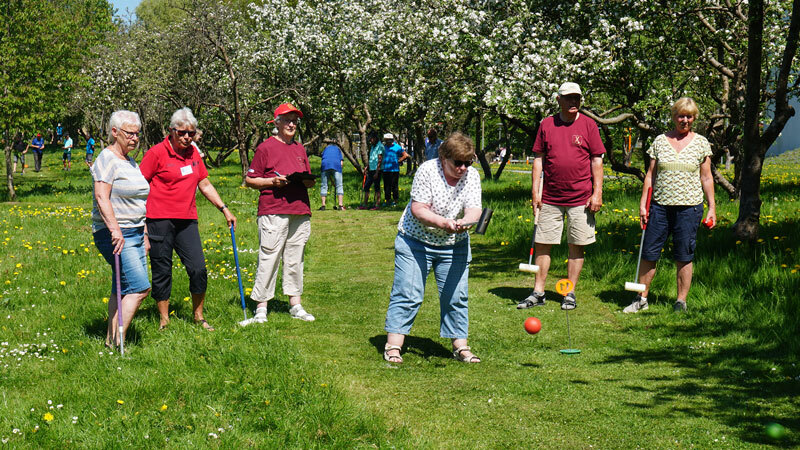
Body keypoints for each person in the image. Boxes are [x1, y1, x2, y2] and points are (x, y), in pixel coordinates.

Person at [383, 132, 483, 364]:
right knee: (408, 293)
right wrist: (444, 223)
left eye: (467, 163)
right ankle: (393, 346)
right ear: (443, 158)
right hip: (415, 241)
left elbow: (474, 208)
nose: (463, 168)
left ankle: (461, 347)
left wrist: (466, 221)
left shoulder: (472, 175)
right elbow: (419, 209)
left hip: (454, 244)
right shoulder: (427, 170)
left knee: (456, 296)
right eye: (457, 163)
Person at [139, 107, 236, 331]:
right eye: (182, 133)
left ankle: (198, 316)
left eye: (191, 133)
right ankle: (164, 320)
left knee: (198, 268)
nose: (186, 137)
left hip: (187, 219)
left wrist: (224, 208)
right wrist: (140, 222)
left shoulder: (193, 153)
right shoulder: (156, 153)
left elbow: (204, 183)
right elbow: (140, 186)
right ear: (171, 131)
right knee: (162, 269)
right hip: (159, 219)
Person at [517, 82, 605, 311]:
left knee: (577, 245)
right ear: (558, 100)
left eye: (577, 98)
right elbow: (539, 159)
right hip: (550, 197)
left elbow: (597, 160)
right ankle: (538, 292)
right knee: (543, 244)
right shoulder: (547, 124)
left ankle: (569, 292)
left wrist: (597, 193)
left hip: (581, 198)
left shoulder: (589, 125)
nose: (574, 102)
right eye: (569, 98)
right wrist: (535, 191)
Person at [623, 97, 716, 314]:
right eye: (681, 116)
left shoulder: (701, 143)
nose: (685, 120)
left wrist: (712, 207)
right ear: (674, 117)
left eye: (689, 116)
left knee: (684, 255)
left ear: (694, 118)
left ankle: (680, 302)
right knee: (649, 252)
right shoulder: (660, 141)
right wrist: (643, 205)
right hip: (659, 207)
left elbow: (706, 177)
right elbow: (650, 175)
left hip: (689, 208)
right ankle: (641, 298)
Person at [239, 103, 317, 326]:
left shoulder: (300, 149)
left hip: (299, 210)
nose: (292, 124)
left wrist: (307, 181)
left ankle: (295, 304)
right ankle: (261, 308)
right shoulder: (265, 148)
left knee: (295, 258)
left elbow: (308, 178)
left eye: (295, 121)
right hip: (273, 209)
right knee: (269, 257)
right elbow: (250, 180)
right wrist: (272, 181)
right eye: (287, 120)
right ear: (277, 123)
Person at [90, 110, 151, 350]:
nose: (135, 138)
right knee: (139, 288)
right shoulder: (107, 158)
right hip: (116, 233)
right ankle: (118, 340)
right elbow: (101, 196)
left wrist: (144, 234)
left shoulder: (130, 161)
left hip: (135, 232)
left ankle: (110, 341)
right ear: (115, 132)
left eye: (137, 134)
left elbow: (138, 202)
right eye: (130, 133)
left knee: (122, 289)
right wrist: (115, 230)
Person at [381, 133, 409, 207]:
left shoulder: (397, 147)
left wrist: (399, 161)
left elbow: (405, 155)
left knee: (394, 186)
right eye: (387, 140)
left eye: (389, 140)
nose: (388, 142)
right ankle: (387, 201)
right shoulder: (383, 147)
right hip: (385, 169)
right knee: (386, 186)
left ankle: (395, 201)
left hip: (394, 170)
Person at [359, 132, 383, 210]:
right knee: (366, 186)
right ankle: (365, 204)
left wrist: (377, 172)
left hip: (377, 170)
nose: (370, 141)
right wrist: (367, 167)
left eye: (371, 139)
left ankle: (377, 205)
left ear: (375, 138)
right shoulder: (372, 146)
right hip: (371, 169)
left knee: (377, 187)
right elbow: (372, 158)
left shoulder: (380, 146)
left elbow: (379, 160)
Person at [319, 142, 345, 210]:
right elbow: (341, 163)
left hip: (325, 165)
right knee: (339, 185)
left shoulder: (325, 149)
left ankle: (323, 206)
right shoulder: (338, 149)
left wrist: (332, 180)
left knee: (324, 185)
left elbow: (324, 160)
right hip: (336, 165)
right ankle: (340, 205)